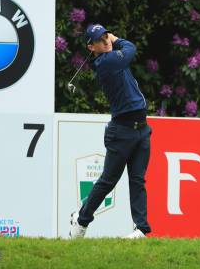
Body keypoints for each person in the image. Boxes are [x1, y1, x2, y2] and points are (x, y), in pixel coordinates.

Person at [69, 23, 152, 239]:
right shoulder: (106, 62)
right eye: (100, 39)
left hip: (142, 129)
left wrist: (114, 41)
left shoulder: (113, 57)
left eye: (106, 36)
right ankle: (82, 220)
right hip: (122, 131)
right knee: (108, 181)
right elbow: (131, 48)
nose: (106, 41)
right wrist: (117, 39)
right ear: (91, 48)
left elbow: (127, 51)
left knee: (137, 180)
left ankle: (141, 229)